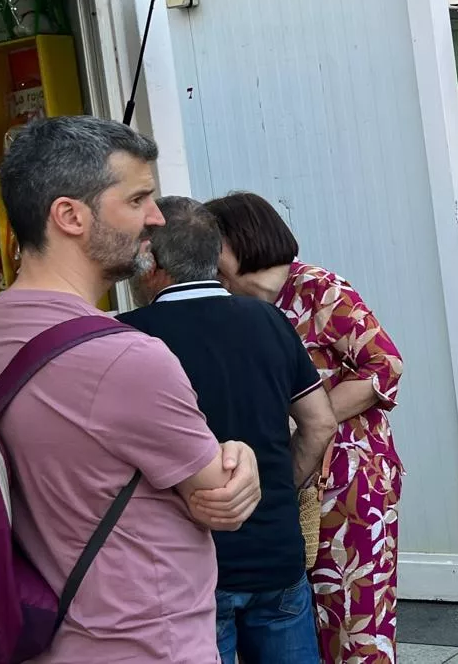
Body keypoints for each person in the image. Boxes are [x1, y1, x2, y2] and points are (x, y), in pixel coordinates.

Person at [0, 116, 261, 662]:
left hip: (41, 638)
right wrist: (241, 456)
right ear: (70, 216)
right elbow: (222, 500)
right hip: (148, 642)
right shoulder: (127, 358)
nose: (155, 218)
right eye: (139, 198)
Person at [122, 197, 338, 664]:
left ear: (152, 263)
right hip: (276, 553)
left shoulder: (127, 338)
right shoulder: (269, 320)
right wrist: (274, 489)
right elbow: (320, 424)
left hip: (190, 568)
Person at [205, 192, 405, 664]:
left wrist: (311, 420)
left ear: (237, 242)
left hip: (350, 483)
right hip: (293, 482)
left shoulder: (317, 288)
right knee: (305, 620)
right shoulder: (241, 308)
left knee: (358, 621)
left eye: (211, 244)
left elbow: (385, 366)